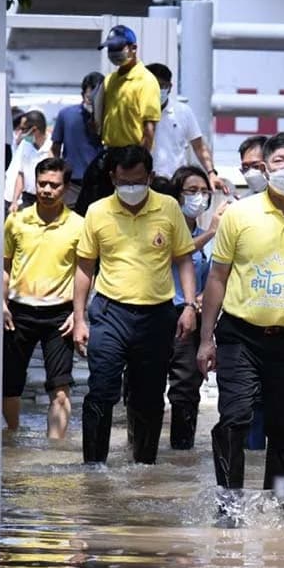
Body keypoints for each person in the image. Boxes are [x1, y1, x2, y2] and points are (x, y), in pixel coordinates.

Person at [196, 132, 284, 502]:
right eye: (279, 161)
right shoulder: (239, 216)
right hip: (239, 335)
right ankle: (229, 504)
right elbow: (217, 277)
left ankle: (279, 505)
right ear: (264, 167)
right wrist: (205, 338)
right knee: (235, 418)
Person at [72, 145, 199, 465]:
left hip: (156, 315)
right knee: (101, 390)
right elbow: (85, 267)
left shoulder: (168, 207)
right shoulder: (98, 211)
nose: (131, 188)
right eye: (123, 182)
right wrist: (79, 319)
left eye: (138, 181)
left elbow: (184, 258)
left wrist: (188, 307)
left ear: (150, 177)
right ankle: (94, 467)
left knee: (149, 396)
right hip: (109, 312)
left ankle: (144, 468)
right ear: (112, 177)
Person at [2, 157, 84, 439]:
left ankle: (56, 452)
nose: (47, 189)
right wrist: (1, 304)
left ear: (67, 187)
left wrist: (79, 313)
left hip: (60, 315)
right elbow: (4, 266)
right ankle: (12, 438)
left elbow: (86, 273)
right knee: (9, 387)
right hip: (17, 312)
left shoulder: (78, 225)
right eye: (42, 184)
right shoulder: (16, 221)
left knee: (60, 389)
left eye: (54, 185)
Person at [164, 165, 228, 450]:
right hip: (160, 312)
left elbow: (217, 275)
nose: (199, 197)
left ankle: (182, 450)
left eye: (204, 192)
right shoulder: (162, 228)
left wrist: (204, 297)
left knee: (186, 388)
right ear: (177, 195)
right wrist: (212, 231)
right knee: (145, 388)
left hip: (192, 319)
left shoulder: (210, 239)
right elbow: (178, 251)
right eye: (192, 191)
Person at [75, 26, 161, 216]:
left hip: (132, 155)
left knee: (124, 210)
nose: (113, 53)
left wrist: (141, 164)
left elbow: (149, 128)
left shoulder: (146, 81)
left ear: (133, 48)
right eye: (110, 49)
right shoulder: (110, 80)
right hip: (108, 153)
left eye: (118, 48)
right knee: (89, 204)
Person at [144, 63, 231, 195]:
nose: (157, 90)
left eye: (162, 86)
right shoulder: (135, 112)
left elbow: (199, 146)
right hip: (146, 182)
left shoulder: (183, 112)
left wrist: (211, 173)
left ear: (170, 87)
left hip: (176, 183)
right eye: (153, 86)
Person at [51, 72, 105, 209]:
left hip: (100, 180)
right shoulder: (66, 114)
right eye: (90, 97)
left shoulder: (109, 117)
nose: (93, 102)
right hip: (72, 181)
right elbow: (55, 147)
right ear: (83, 94)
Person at [8, 110, 50, 213]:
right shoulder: (25, 144)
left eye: (23, 129)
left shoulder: (53, 147)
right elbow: (21, 174)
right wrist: (14, 201)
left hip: (47, 200)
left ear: (34, 130)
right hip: (27, 199)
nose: (20, 132)